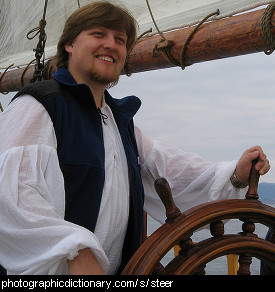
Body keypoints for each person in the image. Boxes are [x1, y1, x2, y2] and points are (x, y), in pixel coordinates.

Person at [0, 1, 270, 275]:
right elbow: (12, 200)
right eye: (98, 34)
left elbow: (170, 173)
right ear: (69, 44)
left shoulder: (119, 121)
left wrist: (235, 174)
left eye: (120, 40)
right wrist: (75, 250)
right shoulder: (38, 106)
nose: (111, 45)